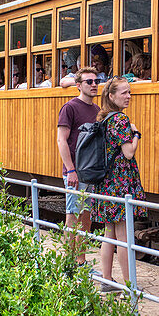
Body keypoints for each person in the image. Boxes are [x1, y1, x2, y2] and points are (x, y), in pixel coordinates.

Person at [89, 77, 146, 290]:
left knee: (109, 233)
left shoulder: (104, 118)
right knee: (123, 236)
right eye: (124, 93)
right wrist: (136, 134)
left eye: (129, 92)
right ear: (111, 96)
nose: (128, 96)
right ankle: (130, 285)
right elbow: (129, 153)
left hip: (106, 182)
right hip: (120, 184)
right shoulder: (121, 120)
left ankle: (106, 280)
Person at [56, 66, 101, 256]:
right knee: (73, 216)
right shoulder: (70, 107)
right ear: (78, 85)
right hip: (75, 172)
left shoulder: (97, 110)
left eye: (96, 81)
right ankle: (70, 260)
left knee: (86, 218)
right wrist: (70, 170)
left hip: (90, 172)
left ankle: (80, 259)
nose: (94, 85)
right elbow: (61, 139)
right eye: (89, 82)